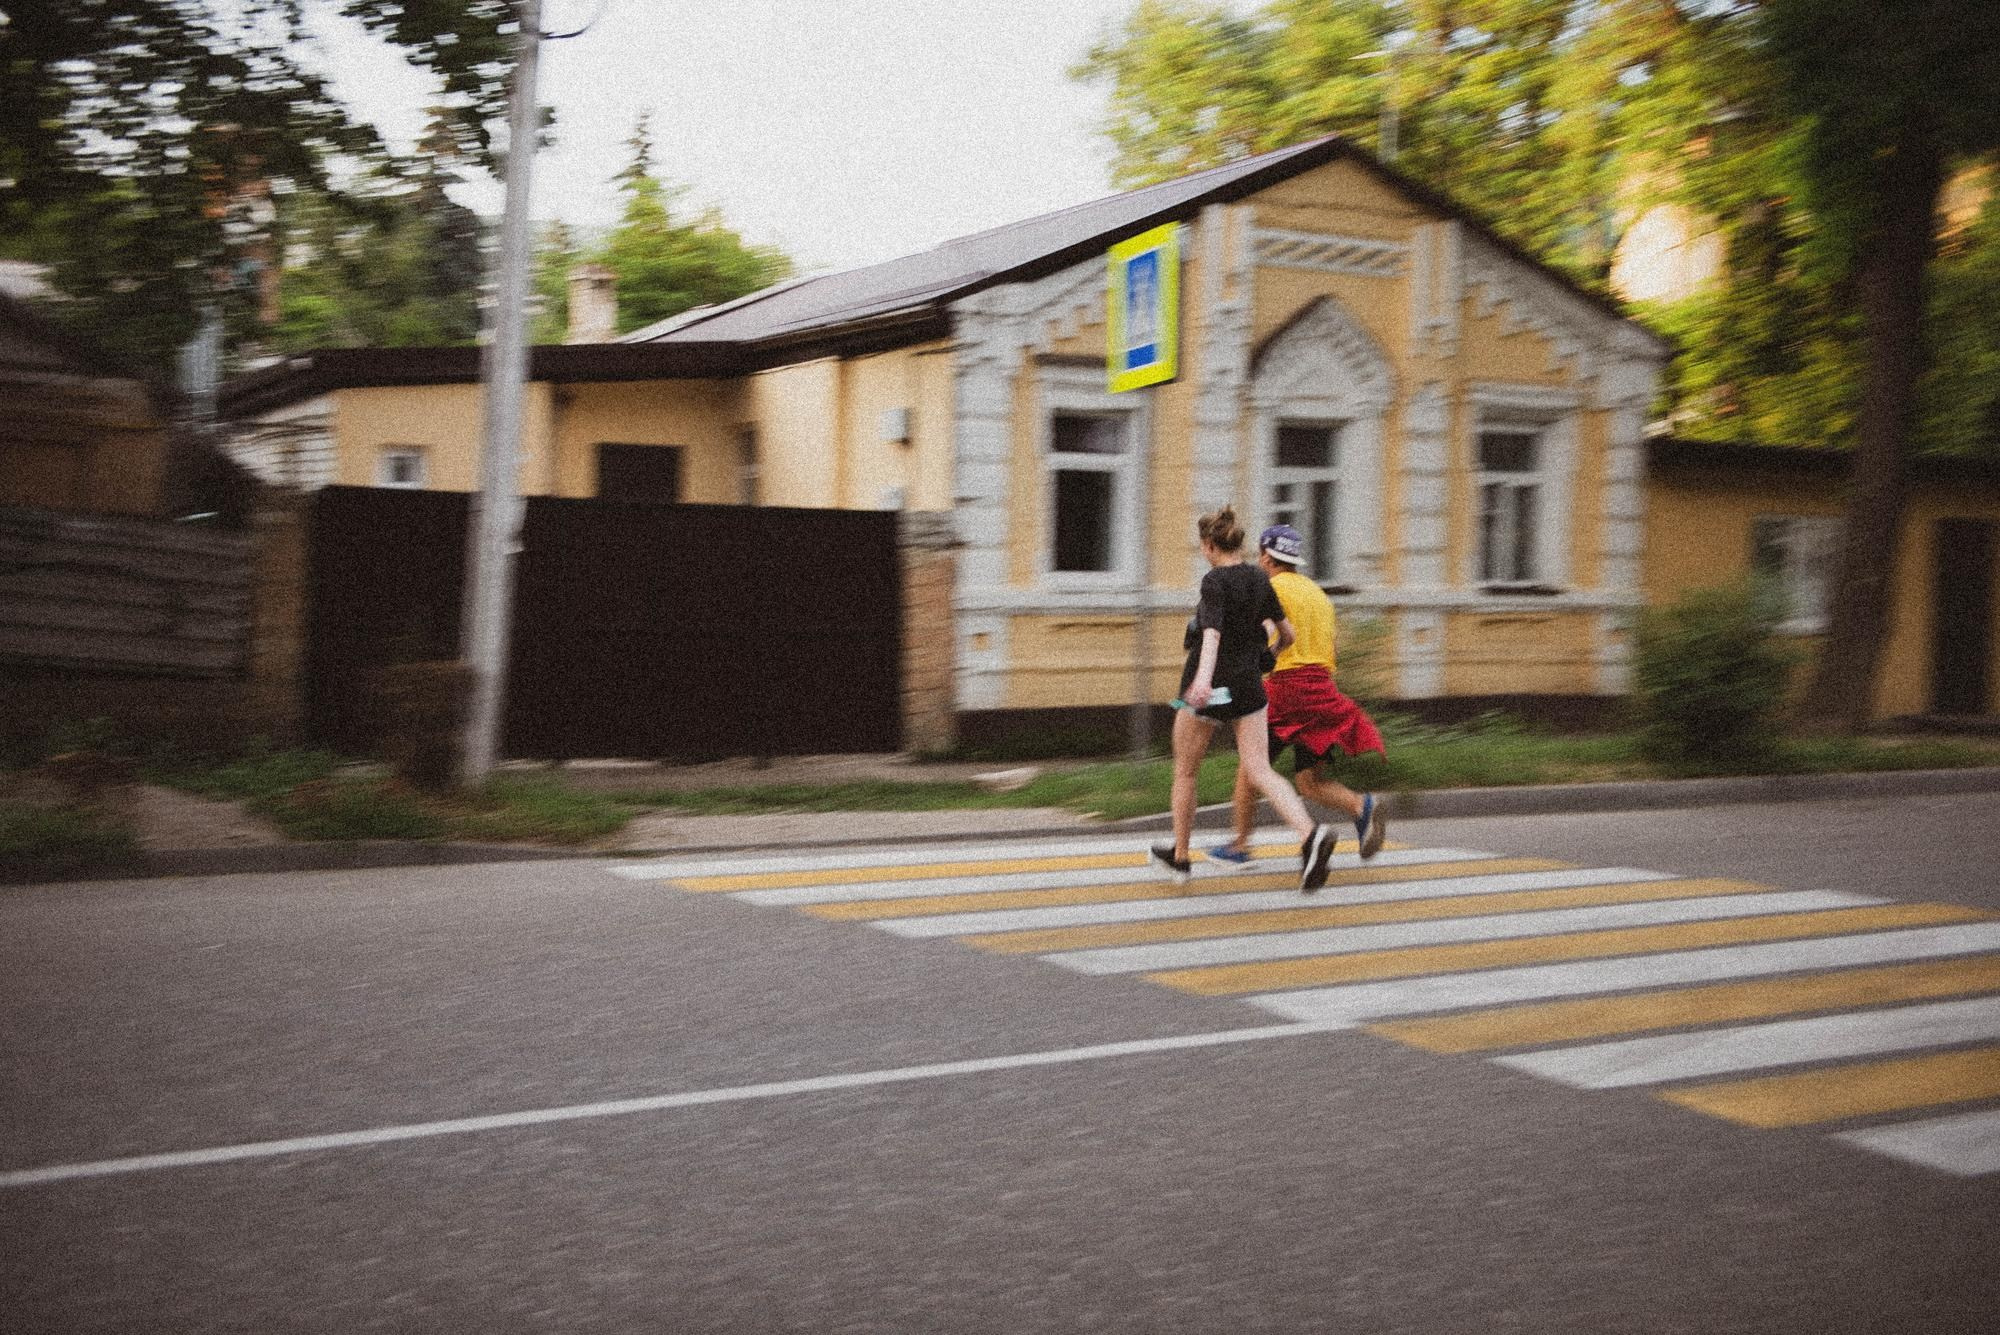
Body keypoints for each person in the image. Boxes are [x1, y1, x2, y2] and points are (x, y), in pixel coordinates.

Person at [1152, 506, 1340, 893]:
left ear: (1208, 545)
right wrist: (1266, 658)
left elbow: (1211, 635)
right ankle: (1309, 834)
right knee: (1260, 770)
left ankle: (1182, 856)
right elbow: (1287, 635)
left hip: (1209, 689)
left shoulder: (1213, 582)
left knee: (1186, 772)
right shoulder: (1259, 577)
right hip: (1249, 687)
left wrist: (1202, 682)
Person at [1210, 524, 1387, 870]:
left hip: (1285, 691)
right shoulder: (1319, 596)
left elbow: (1258, 638)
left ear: (1265, 556)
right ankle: (1360, 806)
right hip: (1321, 690)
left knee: (1251, 769)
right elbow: (1331, 649)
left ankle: (1240, 846)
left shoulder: (1268, 588)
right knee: (1310, 782)